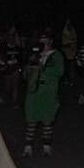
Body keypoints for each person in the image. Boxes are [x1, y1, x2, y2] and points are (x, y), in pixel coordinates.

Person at [23, 29, 65, 157]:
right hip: (33, 92)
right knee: (31, 120)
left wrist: (43, 69)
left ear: (50, 40)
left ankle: (47, 147)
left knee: (47, 121)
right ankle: (28, 147)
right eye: (40, 37)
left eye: (44, 38)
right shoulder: (35, 53)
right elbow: (26, 72)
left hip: (48, 92)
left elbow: (60, 71)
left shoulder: (56, 55)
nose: (42, 40)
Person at [0, 23, 24, 106]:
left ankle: (14, 103)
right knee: (8, 87)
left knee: (15, 87)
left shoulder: (18, 48)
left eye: (13, 37)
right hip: (7, 70)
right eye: (10, 37)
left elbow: (21, 58)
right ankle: (3, 96)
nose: (11, 39)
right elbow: (1, 59)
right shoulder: (4, 48)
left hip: (15, 69)